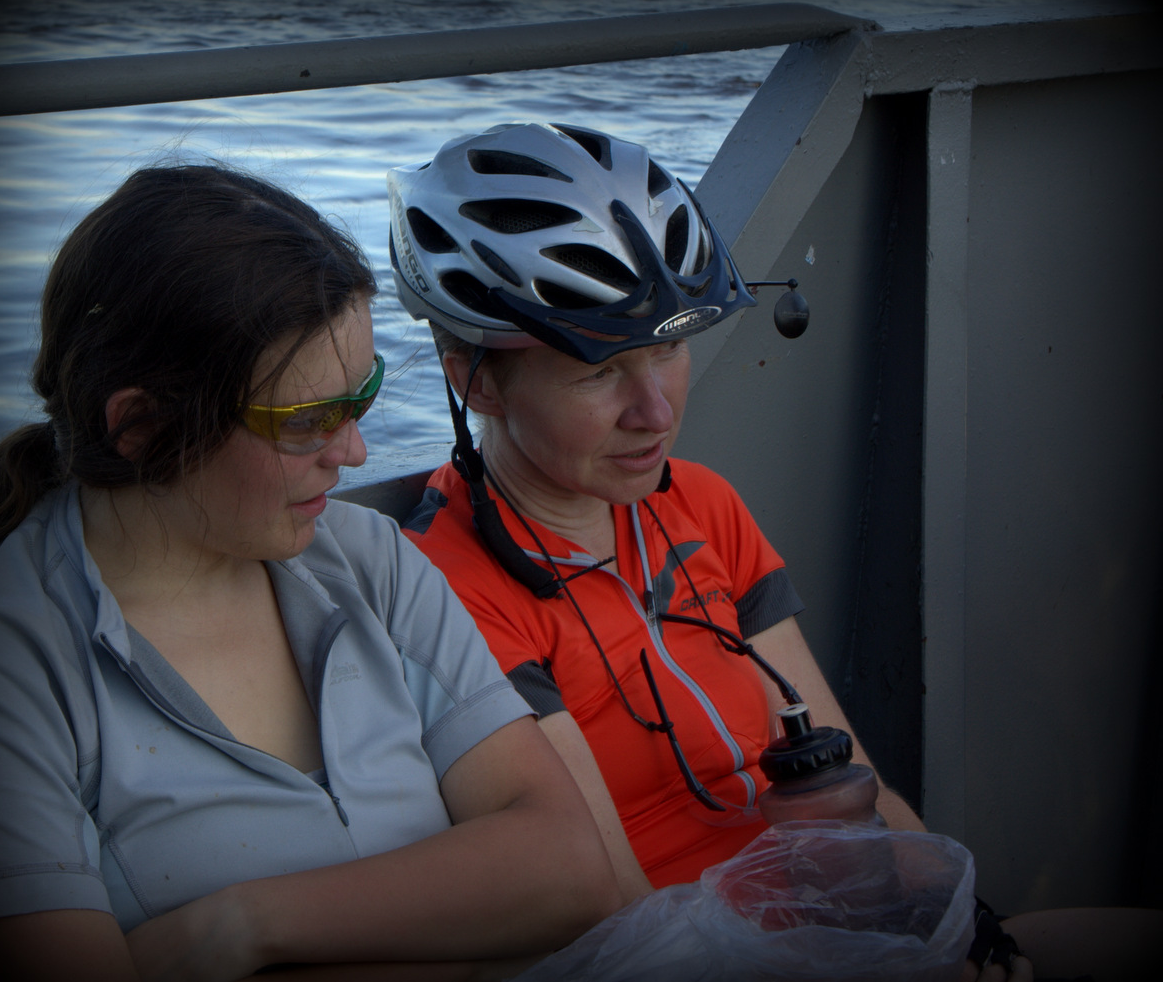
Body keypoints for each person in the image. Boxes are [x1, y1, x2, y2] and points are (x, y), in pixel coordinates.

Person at [0, 161, 621, 982]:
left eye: (362, 398)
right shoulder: (4, 668)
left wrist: (240, 926)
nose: (355, 452)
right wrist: (474, 922)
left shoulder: (371, 560)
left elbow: (569, 869)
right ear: (140, 427)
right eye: (307, 420)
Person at [389, 121, 926, 899]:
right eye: (599, 370)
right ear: (477, 383)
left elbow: (857, 788)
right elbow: (614, 904)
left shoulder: (701, 501)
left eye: (669, 348)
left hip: (844, 918)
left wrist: (965, 918)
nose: (656, 413)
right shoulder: (448, 585)